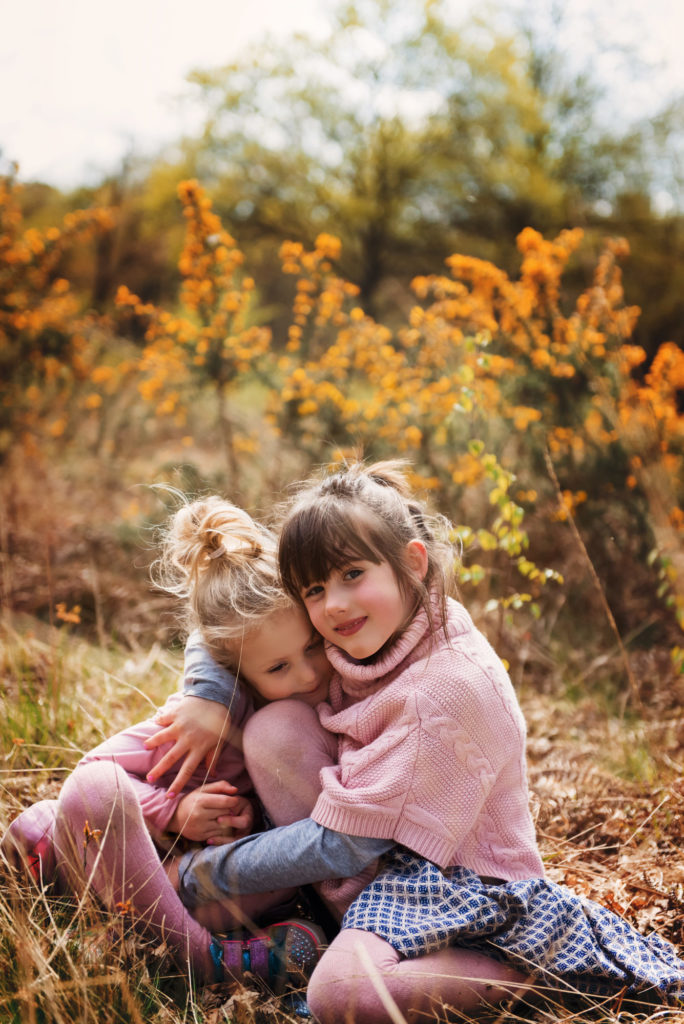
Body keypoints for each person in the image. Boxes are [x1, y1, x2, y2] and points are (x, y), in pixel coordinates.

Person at [172, 460, 684, 1022]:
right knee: (276, 727)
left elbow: (342, 845)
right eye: (315, 589)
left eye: (351, 575)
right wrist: (206, 691)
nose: (335, 604)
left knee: (339, 996)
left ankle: (536, 975)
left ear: (412, 564)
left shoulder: (441, 689)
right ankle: (330, 929)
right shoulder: (371, 636)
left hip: (469, 891)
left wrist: (206, 874)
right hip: (384, 876)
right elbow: (238, 611)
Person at [1, 496, 329, 991]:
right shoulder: (199, 724)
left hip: (185, 883)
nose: (307, 675)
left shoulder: (300, 720)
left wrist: (247, 823)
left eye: (311, 648)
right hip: (99, 861)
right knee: (84, 795)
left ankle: (131, 939)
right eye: (279, 668)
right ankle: (201, 958)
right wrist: (173, 811)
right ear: (234, 671)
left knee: (280, 876)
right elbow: (92, 777)